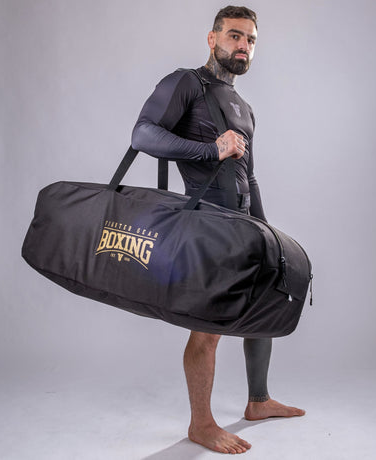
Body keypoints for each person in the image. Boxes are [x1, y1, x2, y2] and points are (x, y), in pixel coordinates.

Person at [131, 6, 305, 455]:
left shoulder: (244, 108)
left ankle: (258, 401)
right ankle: (201, 424)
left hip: (242, 224)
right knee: (208, 328)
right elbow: (142, 135)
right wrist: (211, 148)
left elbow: (250, 175)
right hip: (206, 223)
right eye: (234, 36)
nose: (242, 45)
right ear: (212, 39)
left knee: (263, 297)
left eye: (250, 39)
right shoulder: (187, 83)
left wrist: (266, 232)